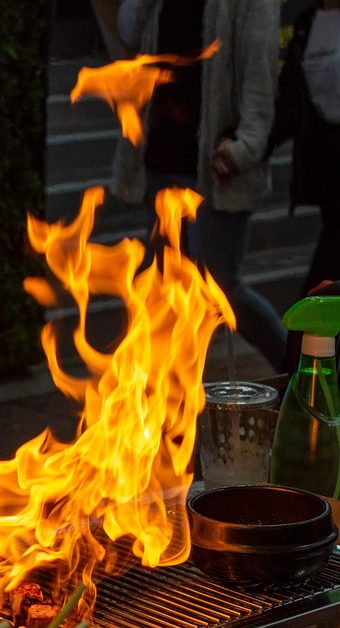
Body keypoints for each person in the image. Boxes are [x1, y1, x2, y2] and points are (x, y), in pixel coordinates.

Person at [114, 0, 287, 372]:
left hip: (214, 165)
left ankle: (299, 369)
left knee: (220, 284)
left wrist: (246, 147)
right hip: (163, 156)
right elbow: (128, 30)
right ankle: (170, 399)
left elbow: (260, 76)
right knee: (164, 287)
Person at [266, 0, 340, 372]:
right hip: (330, 170)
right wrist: (250, 148)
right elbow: (292, 99)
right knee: (332, 285)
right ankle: (321, 377)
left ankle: (308, 377)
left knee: (327, 286)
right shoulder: (309, 21)